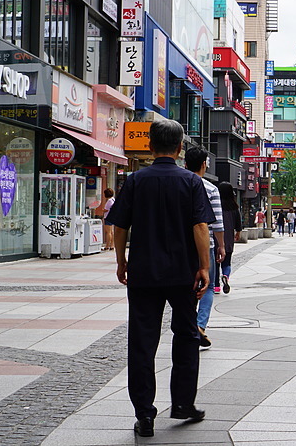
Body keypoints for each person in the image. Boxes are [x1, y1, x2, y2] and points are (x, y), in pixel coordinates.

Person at [106, 119, 214, 437]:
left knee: (142, 341)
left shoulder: (136, 181)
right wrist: (205, 267)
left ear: (150, 147)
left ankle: (145, 414)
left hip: (143, 272)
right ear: (180, 149)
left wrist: (121, 262)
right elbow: (200, 227)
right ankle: (182, 404)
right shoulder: (192, 183)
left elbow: (120, 226)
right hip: (183, 274)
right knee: (186, 336)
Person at [185, 145, 226, 346]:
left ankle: (188, 325)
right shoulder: (211, 188)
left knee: (186, 286)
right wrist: (221, 245)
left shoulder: (179, 184)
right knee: (208, 286)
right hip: (206, 244)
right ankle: (200, 325)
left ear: (185, 163)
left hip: (182, 245)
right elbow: (217, 222)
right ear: (204, 164)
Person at [217, 181, 242, 294]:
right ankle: (226, 276)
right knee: (227, 262)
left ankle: (216, 287)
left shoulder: (216, 204)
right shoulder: (234, 206)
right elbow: (238, 222)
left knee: (215, 262)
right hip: (228, 238)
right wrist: (238, 232)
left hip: (216, 237)